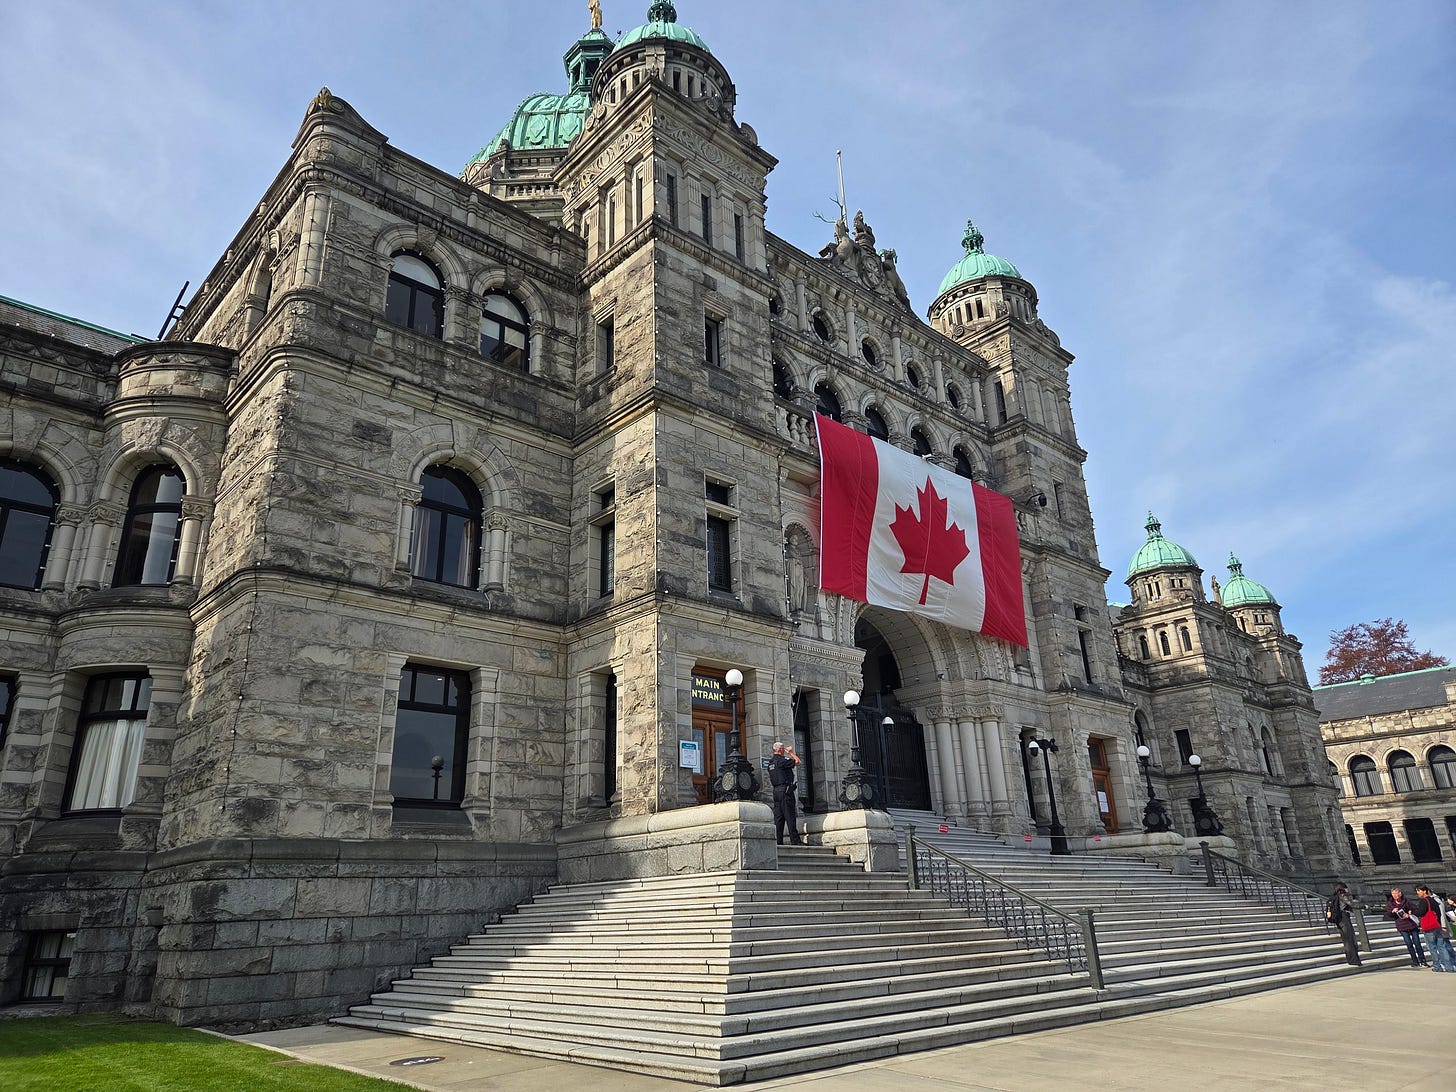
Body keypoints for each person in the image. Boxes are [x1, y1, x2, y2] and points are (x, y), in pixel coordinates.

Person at [767, 741, 803, 846]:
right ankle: (795, 841)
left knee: (779, 818)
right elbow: (798, 761)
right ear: (780, 750)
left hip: (776, 792)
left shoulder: (771, 763)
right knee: (790, 816)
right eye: (783, 748)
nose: (784, 750)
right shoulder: (782, 760)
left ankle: (778, 842)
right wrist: (791, 752)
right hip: (785, 792)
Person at [1414, 884, 1456, 972]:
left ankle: (1437, 966)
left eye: (1419, 891)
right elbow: (1439, 913)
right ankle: (1449, 967)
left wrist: (1413, 912)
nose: (1417, 893)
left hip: (1429, 927)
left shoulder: (1424, 901)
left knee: (1432, 947)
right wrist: (1440, 924)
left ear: (1424, 891)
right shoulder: (1434, 900)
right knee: (1442, 947)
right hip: (1437, 925)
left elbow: (1421, 912)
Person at [1387, 887, 1429, 968]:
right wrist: (1392, 911)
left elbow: (1415, 909)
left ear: (1400, 893)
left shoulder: (1406, 901)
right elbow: (1389, 914)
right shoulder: (1390, 903)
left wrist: (1409, 913)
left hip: (1411, 924)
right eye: (1393, 894)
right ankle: (1415, 961)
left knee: (1417, 943)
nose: (1395, 895)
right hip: (1401, 925)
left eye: (1397, 893)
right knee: (1409, 943)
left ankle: (1423, 960)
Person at [1326, 882, 1361, 967]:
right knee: (1350, 939)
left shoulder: (1335, 897)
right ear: (1343, 888)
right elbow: (1351, 904)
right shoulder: (1342, 895)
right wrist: (1363, 906)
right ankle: (1354, 960)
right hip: (1344, 919)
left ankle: (1350, 959)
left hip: (1338, 920)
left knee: (1346, 940)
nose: (1348, 889)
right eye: (1346, 887)